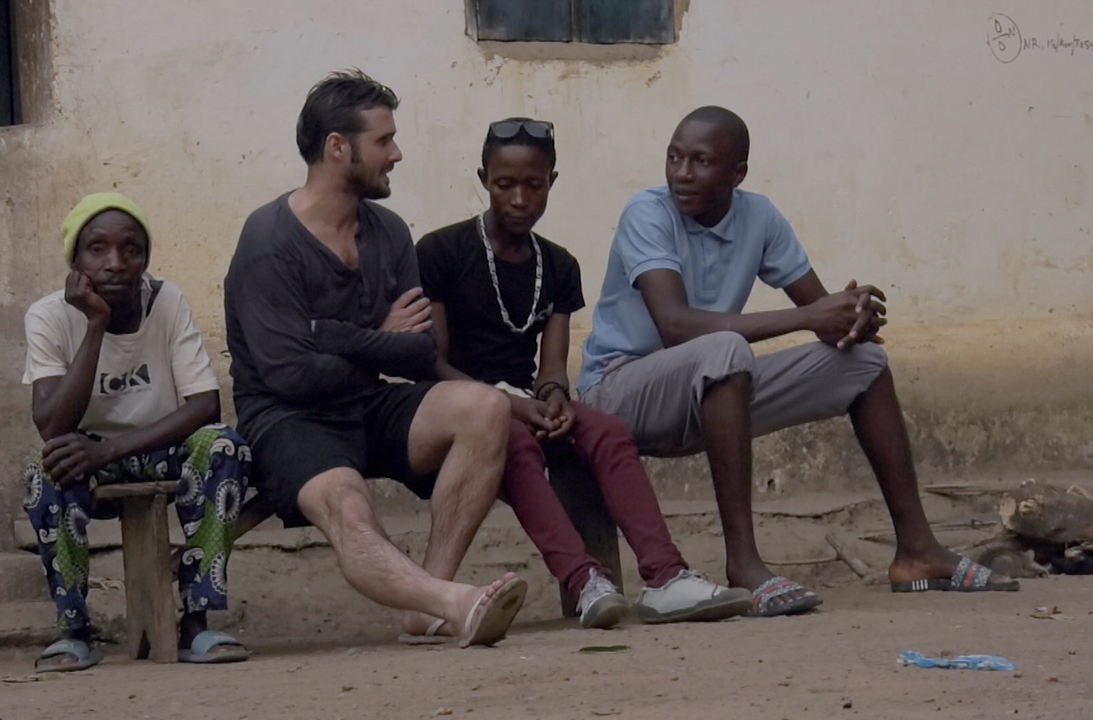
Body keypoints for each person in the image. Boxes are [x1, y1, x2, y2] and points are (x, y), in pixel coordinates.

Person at [578, 107, 1019, 617]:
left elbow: (821, 313)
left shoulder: (759, 216)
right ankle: (744, 564)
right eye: (674, 158)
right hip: (619, 391)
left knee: (863, 363)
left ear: (737, 174)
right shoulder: (647, 212)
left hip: (714, 388)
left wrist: (851, 317)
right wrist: (808, 316)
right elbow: (675, 325)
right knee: (726, 348)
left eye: (701, 161)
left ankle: (918, 550)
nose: (682, 173)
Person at [224, 70, 526, 649]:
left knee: (486, 407)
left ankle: (424, 606)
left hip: (368, 403)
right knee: (351, 508)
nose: (396, 154)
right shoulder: (268, 240)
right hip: (289, 420)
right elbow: (289, 374)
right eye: (383, 141)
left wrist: (335, 335)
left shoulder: (387, 231)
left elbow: (419, 352)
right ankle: (454, 602)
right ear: (339, 147)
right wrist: (378, 337)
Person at [417, 118, 752, 629]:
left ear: (552, 182)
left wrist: (553, 396)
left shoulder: (557, 265)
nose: (520, 199)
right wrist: (511, 405)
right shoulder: (441, 252)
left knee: (607, 430)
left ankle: (666, 577)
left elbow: (552, 365)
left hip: (524, 401)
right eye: (505, 184)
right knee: (515, 440)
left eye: (534, 185)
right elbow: (434, 363)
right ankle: (585, 580)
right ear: (483, 179)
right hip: (458, 405)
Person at [22, 192, 252, 672]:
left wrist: (108, 451)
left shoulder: (166, 302)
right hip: (85, 456)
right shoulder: (48, 315)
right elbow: (52, 426)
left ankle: (196, 622)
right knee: (43, 472)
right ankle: (74, 632)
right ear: (75, 260)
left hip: (158, 448)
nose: (115, 263)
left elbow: (205, 406)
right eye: (97, 249)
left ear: (145, 259)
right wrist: (96, 324)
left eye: (131, 249)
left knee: (224, 446)